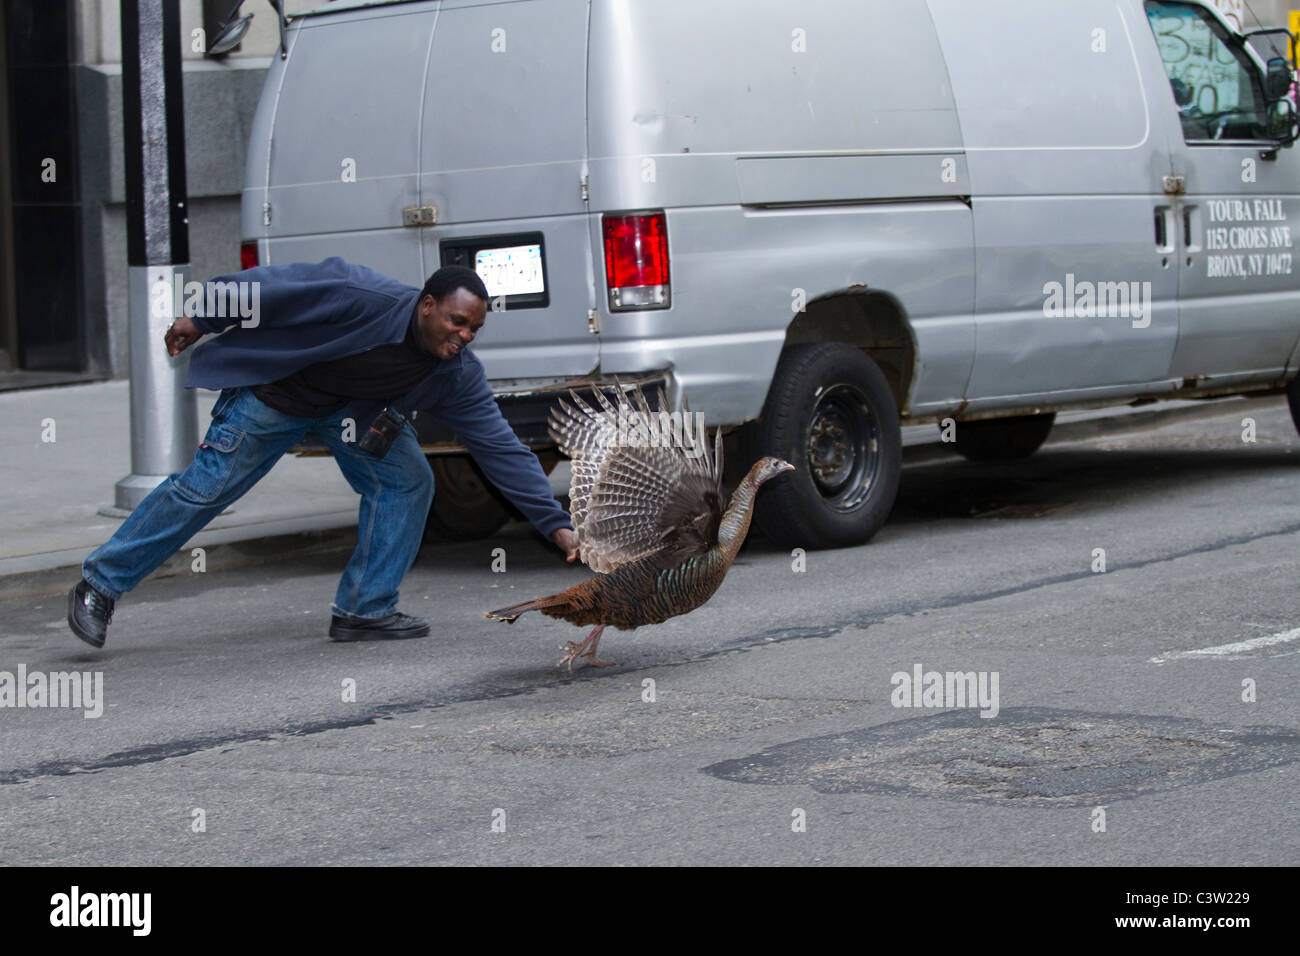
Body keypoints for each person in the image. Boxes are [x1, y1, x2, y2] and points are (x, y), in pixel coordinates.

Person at [68, 258, 579, 647]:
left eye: (473, 329)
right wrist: (201, 319)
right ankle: (99, 584)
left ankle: (364, 608)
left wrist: (553, 524)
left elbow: (500, 449)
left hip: (351, 414)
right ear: (427, 305)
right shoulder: (357, 294)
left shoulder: (457, 373)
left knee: (408, 481)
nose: (463, 336)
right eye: (455, 321)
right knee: (205, 491)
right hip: (276, 395)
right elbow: (267, 288)